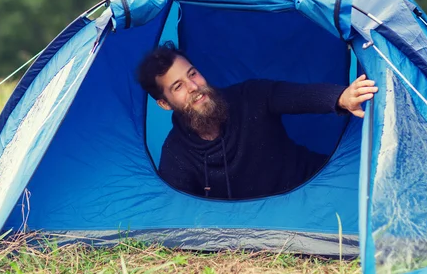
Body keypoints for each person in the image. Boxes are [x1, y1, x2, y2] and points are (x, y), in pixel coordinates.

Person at [137, 43, 378, 199]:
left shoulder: (249, 96)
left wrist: (340, 98)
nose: (194, 87)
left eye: (192, 74)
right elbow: (179, 215)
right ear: (165, 103)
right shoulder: (177, 155)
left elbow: (295, 96)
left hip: (315, 188)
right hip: (265, 225)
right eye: (178, 86)